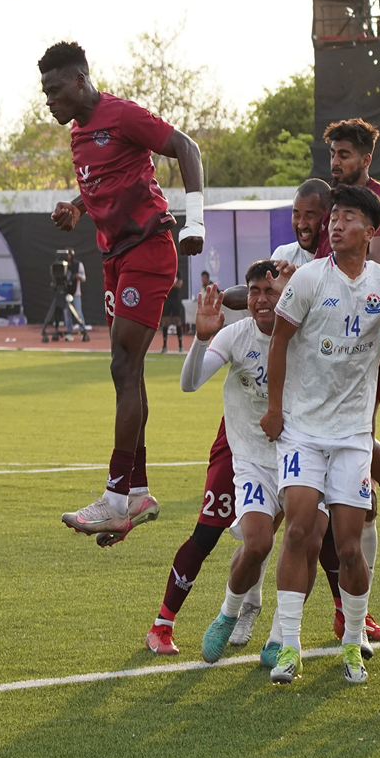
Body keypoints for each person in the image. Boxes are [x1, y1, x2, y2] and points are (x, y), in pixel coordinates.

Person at [39, 40, 206, 545]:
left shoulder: (121, 114)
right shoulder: (79, 136)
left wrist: (193, 220)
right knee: (125, 372)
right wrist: (76, 206)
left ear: (80, 81)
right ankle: (137, 492)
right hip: (113, 257)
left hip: (148, 249)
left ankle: (115, 498)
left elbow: (187, 147)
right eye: (43, 92)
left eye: (54, 90)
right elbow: (107, 184)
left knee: (123, 367)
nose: (48, 101)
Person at [261, 185, 380, 685]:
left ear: (370, 231)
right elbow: (279, 342)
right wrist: (274, 409)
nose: (334, 225)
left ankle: (353, 642)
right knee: (296, 529)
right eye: (333, 217)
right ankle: (288, 646)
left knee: (350, 546)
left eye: (347, 217)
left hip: (354, 435)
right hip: (304, 432)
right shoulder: (309, 278)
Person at [145, 268, 279, 656]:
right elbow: (189, 383)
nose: (262, 298)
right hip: (238, 447)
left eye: (270, 290)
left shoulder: (301, 329)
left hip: (289, 448)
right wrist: (201, 340)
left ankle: (332, 626)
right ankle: (163, 624)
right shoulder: (237, 334)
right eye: (255, 291)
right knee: (207, 533)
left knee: (309, 534)